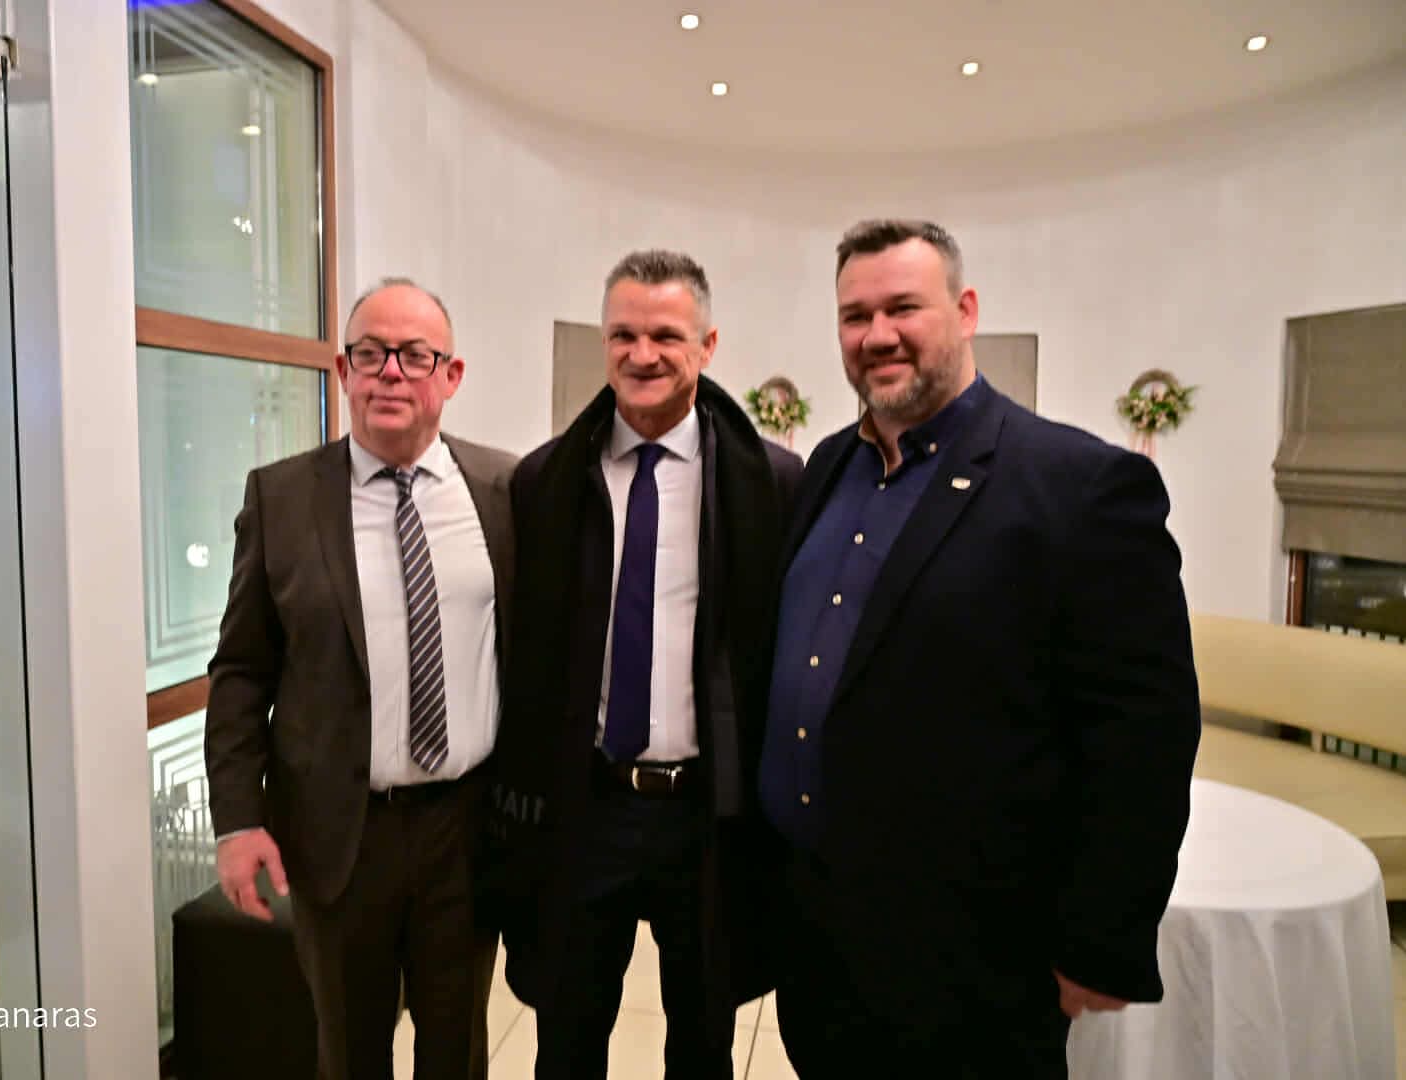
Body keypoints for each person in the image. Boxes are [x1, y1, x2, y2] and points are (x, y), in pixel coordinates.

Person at [760, 218, 1200, 1078]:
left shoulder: (1079, 486)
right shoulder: (826, 467)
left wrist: (1102, 940)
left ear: (964, 312)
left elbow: (1143, 735)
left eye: (903, 308)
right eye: (855, 315)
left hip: (973, 954)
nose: (877, 334)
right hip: (817, 927)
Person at [485, 250, 802, 1079]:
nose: (643, 353)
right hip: (587, 807)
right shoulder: (548, 480)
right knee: (567, 1041)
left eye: (666, 335)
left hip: (708, 815)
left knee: (702, 1044)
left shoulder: (771, 484)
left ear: (707, 345)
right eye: (624, 334)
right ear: (604, 342)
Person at [204, 278, 515, 1080]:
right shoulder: (282, 498)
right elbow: (241, 673)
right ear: (344, 371)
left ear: (451, 375)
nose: (391, 372)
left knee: (458, 1054)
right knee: (348, 1054)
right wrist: (236, 821)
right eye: (370, 353)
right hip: (338, 837)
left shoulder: (505, 492)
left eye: (415, 355)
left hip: (466, 832)